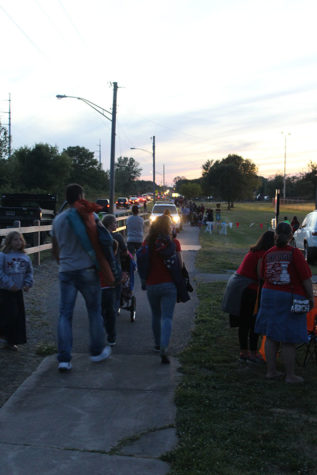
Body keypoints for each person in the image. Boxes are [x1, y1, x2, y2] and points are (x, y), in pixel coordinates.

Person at [52, 184, 111, 372]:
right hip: (86, 269)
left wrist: (61, 262)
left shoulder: (58, 220)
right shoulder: (90, 217)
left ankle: (64, 359)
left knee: (65, 314)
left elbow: (55, 248)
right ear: (81, 197)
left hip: (66, 270)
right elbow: (104, 240)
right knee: (94, 311)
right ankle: (96, 351)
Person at [255, 222, 313, 383]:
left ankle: (271, 372)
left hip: (269, 295)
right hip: (288, 296)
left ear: (275, 235)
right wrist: (310, 298)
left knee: (271, 335)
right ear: (290, 236)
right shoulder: (295, 253)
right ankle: (290, 375)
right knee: (289, 337)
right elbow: (306, 279)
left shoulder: (268, 253)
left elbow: (262, 274)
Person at [143, 214, 186, 364]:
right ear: (169, 227)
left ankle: (156, 344)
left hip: (152, 284)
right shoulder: (174, 243)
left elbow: (142, 261)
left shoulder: (147, 242)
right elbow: (180, 265)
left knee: (156, 315)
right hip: (169, 285)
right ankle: (164, 347)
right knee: (167, 317)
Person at [231, 231, 275, 362]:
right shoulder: (262, 255)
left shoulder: (253, 252)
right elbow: (261, 275)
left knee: (244, 322)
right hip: (250, 291)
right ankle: (253, 352)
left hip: (242, 289)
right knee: (253, 322)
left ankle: (244, 351)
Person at [0, 231, 33, 351]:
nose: (18, 242)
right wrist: (9, 283)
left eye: (20, 239)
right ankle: (4, 336)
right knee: (8, 315)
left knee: (18, 316)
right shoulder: (3, 256)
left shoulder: (25, 257)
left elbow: (29, 272)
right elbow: (0, 272)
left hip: (18, 291)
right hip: (5, 291)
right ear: (9, 241)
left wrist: (27, 283)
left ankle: (12, 340)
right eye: (15, 240)